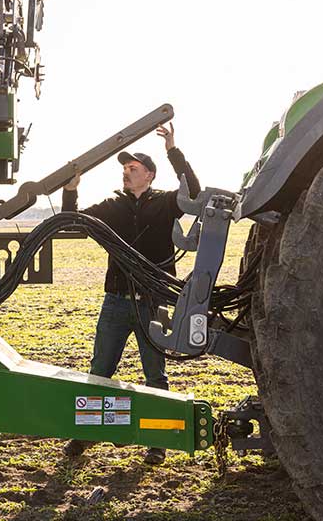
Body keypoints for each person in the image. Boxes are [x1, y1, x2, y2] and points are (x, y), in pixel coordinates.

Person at [61, 121, 200, 465]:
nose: (126, 172)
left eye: (133, 168)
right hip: (116, 303)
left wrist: (173, 151)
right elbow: (71, 222)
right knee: (99, 372)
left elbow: (194, 193)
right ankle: (87, 434)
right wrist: (71, 191)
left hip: (153, 303)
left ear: (149, 175)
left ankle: (158, 442)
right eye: (124, 169)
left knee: (155, 375)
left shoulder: (166, 203)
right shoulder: (112, 206)